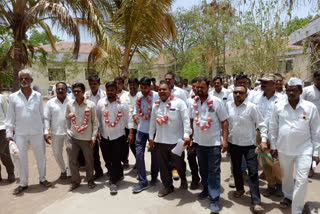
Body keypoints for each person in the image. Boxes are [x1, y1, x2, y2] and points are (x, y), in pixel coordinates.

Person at [269, 78, 320, 214]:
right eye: (289, 90)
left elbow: (316, 131)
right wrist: (273, 146)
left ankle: (296, 209)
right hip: (284, 148)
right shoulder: (278, 106)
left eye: (294, 90)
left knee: (302, 179)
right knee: (286, 176)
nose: (291, 92)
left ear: (300, 91)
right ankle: (288, 196)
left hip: (304, 149)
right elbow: (273, 127)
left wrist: (316, 152)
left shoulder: (310, 108)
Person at [6, 69, 51, 195]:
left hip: (37, 132)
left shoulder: (38, 96)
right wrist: (9, 134)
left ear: (31, 80)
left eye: (26, 78)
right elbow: (10, 117)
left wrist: (45, 131)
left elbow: (42, 116)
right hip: (20, 133)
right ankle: (23, 183)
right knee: (21, 159)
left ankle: (43, 179)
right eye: (21, 79)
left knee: (40, 157)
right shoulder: (13, 97)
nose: (24, 81)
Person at [190, 77, 229, 213]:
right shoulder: (193, 103)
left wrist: (224, 140)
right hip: (199, 142)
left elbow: (224, 121)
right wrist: (191, 137)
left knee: (214, 171)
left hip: (213, 143)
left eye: (202, 87)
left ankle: (214, 199)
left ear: (208, 87)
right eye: (197, 87)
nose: (199, 90)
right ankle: (206, 190)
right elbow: (191, 120)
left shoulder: (216, 102)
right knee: (203, 169)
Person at [227, 85, 267, 213]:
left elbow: (261, 124)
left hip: (249, 145)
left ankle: (256, 201)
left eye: (241, 93)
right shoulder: (228, 106)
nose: (238, 95)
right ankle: (240, 189)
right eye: (235, 92)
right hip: (233, 143)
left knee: (253, 172)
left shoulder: (251, 107)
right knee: (237, 169)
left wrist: (264, 140)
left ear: (246, 95)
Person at [149, 81, 192, 197]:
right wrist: (150, 137)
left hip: (176, 141)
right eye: (160, 90)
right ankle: (168, 186)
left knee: (179, 163)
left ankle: (183, 178)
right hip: (160, 141)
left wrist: (187, 135)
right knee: (163, 166)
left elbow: (186, 119)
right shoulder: (155, 105)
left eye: (164, 89)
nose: (162, 92)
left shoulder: (179, 103)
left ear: (170, 90)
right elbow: (152, 122)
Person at [252, 73, 284, 198]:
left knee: (276, 162)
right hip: (260, 134)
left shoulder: (282, 98)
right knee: (265, 160)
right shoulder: (257, 98)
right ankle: (271, 185)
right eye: (261, 82)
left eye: (266, 82)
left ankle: (280, 184)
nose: (263, 84)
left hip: (277, 134)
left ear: (273, 83)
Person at [96, 81, 131, 195]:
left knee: (116, 158)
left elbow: (128, 119)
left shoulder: (122, 104)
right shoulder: (101, 103)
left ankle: (113, 182)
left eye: (112, 90)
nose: (110, 92)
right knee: (107, 158)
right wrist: (97, 131)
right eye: (108, 90)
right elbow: (98, 118)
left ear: (116, 90)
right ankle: (118, 173)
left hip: (118, 135)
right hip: (104, 135)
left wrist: (130, 133)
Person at [65, 82, 98, 191]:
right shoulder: (70, 104)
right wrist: (69, 130)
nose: (76, 93)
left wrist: (93, 137)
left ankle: (90, 180)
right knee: (72, 160)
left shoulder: (91, 105)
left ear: (83, 92)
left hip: (87, 138)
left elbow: (95, 122)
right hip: (73, 137)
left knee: (89, 160)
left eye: (78, 91)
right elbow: (67, 118)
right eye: (74, 91)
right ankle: (76, 181)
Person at [132, 77, 159, 193]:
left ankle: (154, 176)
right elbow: (135, 109)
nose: (143, 90)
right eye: (142, 87)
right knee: (139, 154)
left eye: (146, 87)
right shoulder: (138, 95)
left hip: (153, 130)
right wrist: (134, 115)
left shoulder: (156, 96)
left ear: (150, 87)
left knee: (154, 154)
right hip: (141, 128)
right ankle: (142, 180)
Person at [44, 82, 71, 179]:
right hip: (56, 132)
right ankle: (63, 170)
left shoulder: (71, 100)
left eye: (62, 89)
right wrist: (46, 132)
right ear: (55, 90)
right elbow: (46, 118)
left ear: (66, 89)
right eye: (58, 89)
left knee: (70, 152)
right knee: (56, 152)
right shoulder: (50, 103)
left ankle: (70, 173)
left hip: (70, 132)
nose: (60, 90)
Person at [164, 72, 188, 180]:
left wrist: (186, 131)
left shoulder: (181, 92)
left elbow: (185, 110)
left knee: (179, 155)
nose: (168, 81)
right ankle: (173, 171)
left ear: (174, 80)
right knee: (168, 155)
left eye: (169, 79)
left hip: (179, 128)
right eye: (166, 79)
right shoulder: (162, 92)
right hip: (166, 128)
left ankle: (182, 177)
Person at [84, 74, 106, 180]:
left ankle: (110, 169)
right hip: (91, 127)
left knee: (106, 150)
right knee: (94, 152)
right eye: (91, 84)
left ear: (99, 84)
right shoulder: (86, 95)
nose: (93, 86)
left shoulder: (105, 95)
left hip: (104, 126)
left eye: (95, 84)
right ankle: (98, 171)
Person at [301, 71, 320, 178]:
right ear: (314, 78)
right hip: (310, 123)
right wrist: (305, 121)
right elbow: (301, 107)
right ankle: (310, 168)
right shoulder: (307, 91)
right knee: (310, 147)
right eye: (318, 79)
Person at [186, 77, 200, 190]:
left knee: (203, 160)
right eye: (194, 86)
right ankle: (195, 178)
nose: (196, 89)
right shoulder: (189, 101)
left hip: (205, 136)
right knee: (191, 157)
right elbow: (188, 120)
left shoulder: (210, 101)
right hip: (192, 136)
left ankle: (206, 179)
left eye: (198, 86)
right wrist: (189, 136)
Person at [114, 76, 131, 168]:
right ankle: (117, 161)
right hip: (113, 124)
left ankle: (125, 160)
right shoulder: (110, 94)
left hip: (125, 124)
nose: (117, 85)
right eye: (115, 83)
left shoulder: (127, 95)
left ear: (123, 84)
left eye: (119, 83)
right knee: (116, 144)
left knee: (125, 144)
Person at [0, 89, 15, 183]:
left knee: (3, 152)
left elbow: (8, 113)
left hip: (1, 128)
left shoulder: (1, 98)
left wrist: (10, 128)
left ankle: (10, 172)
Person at [124, 78, 139, 167]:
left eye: (134, 84)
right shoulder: (124, 97)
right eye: (131, 84)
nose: (132, 86)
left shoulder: (141, 96)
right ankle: (138, 160)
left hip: (140, 126)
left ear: (138, 85)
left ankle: (140, 162)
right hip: (129, 126)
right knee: (132, 145)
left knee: (139, 147)